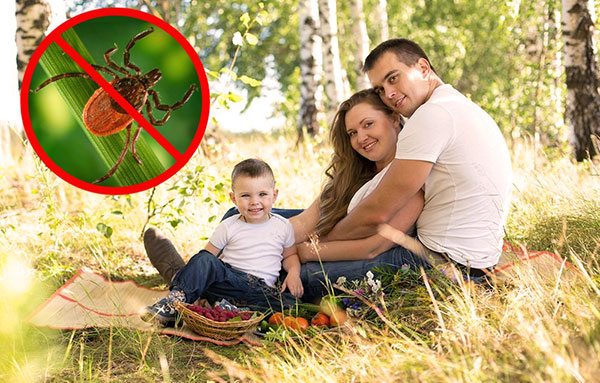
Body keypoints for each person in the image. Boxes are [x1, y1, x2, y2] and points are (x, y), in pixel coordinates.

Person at [144, 89, 428, 302]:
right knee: (238, 216)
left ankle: (188, 280)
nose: (360, 138)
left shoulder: (410, 173)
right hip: (327, 239)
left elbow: (373, 246)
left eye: (368, 124)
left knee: (294, 275)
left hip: (364, 255)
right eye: (352, 132)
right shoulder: (355, 172)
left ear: (394, 119)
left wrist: (300, 251)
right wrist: (267, 238)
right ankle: (204, 277)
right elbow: (307, 222)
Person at [323, 39, 513, 278]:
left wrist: (319, 243)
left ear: (423, 68)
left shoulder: (432, 114)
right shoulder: (458, 106)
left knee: (307, 274)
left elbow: (377, 212)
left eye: (393, 78)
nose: (389, 94)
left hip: (441, 264)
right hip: (475, 263)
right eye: (380, 89)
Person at [142, 158, 302, 326]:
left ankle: (227, 308)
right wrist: (204, 273)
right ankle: (174, 303)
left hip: (260, 290)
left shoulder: (283, 225)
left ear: (274, 195)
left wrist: (293, 273)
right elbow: (206, 258)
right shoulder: (229, 226)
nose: (255, 201)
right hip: (229, 280)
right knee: (204, 260)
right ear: (233, 198)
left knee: (291, 305)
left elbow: (290, 255)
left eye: (262, 194)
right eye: (246, 195)